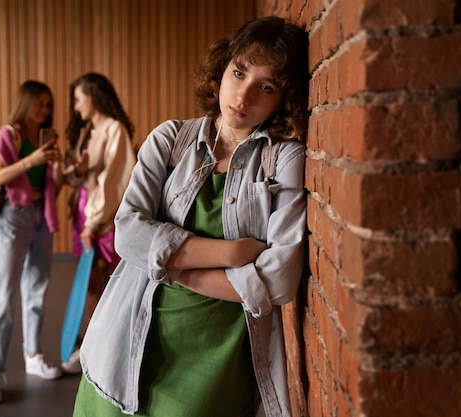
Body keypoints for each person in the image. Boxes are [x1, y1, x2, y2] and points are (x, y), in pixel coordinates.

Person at [72, 16, 310, 417]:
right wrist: (231, 254)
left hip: (212, 365)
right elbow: (128, 233)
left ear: (281, 99)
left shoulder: (283, 158)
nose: (244, 94)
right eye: (239, 73)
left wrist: (171, 267)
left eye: (266, 87)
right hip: (126, 344)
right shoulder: (169, 140)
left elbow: (281, 279)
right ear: (222, 70)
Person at [0, 80, 64, 405]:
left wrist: (59, 166)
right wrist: (33, 159)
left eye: (47, 105)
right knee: (4, 296)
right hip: (13, 217)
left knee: (37, 289)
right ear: (25, 103)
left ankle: (32, 355)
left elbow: (56, 183)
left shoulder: (48, 137)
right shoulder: (9, 135)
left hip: (42, 215)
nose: (44, 110)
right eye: (39, 104)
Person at [62, 72, 137, 373]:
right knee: (91, 283)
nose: (76, 107)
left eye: (79, 99)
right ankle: (97, 343)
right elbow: (81, 178)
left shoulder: (114, 129)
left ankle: (96, 347)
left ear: (94, 96)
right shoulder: (90, 131)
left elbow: (112, 182)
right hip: (86, 212)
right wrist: (77, 169)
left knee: (98, 284)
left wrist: (93, 224)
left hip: (101, 218)